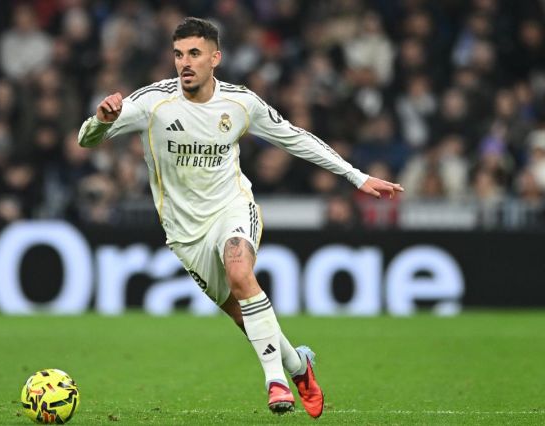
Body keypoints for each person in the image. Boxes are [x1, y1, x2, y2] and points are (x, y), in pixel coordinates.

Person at [78, 17, 404, 417]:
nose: (185, 63)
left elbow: (295, 138)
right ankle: (298, 366)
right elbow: (86, 140)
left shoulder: (240, 103)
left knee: (239, 271)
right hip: (184, 231)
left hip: (231, 207)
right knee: (242, 314)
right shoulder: (152, 102)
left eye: (194, 53)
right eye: (179, 54)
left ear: (215, 58)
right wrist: (101, 120)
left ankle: (276, 383)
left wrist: (357, 176)